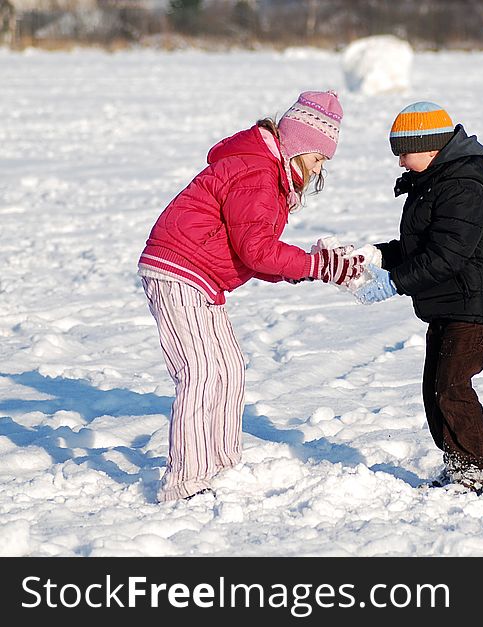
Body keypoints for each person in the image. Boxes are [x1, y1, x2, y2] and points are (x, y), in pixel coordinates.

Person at [138, 90, 363, 503]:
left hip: (201, 278)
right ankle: (184, 482)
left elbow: (255, 254)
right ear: (298, 144)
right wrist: (318, 266)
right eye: (317, 159)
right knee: (201, 374)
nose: (317, 171)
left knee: (229, 369)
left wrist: (310, 268)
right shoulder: (258, 174)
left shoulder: (268, 175)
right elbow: (257, 250)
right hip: (177, 270)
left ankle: (220, 464)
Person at [355, 102, 483, 495]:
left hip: (472, 304)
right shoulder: (434, 184)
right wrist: (374, 256)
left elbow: (447, 255)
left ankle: (477, 472)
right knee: (435, 389)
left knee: (452, 386)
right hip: (447, 304)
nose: (400, 162)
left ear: (430, 149)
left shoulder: (463, 188)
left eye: (403, 152)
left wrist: (393, 283)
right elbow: (420, 247)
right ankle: (458, 465)